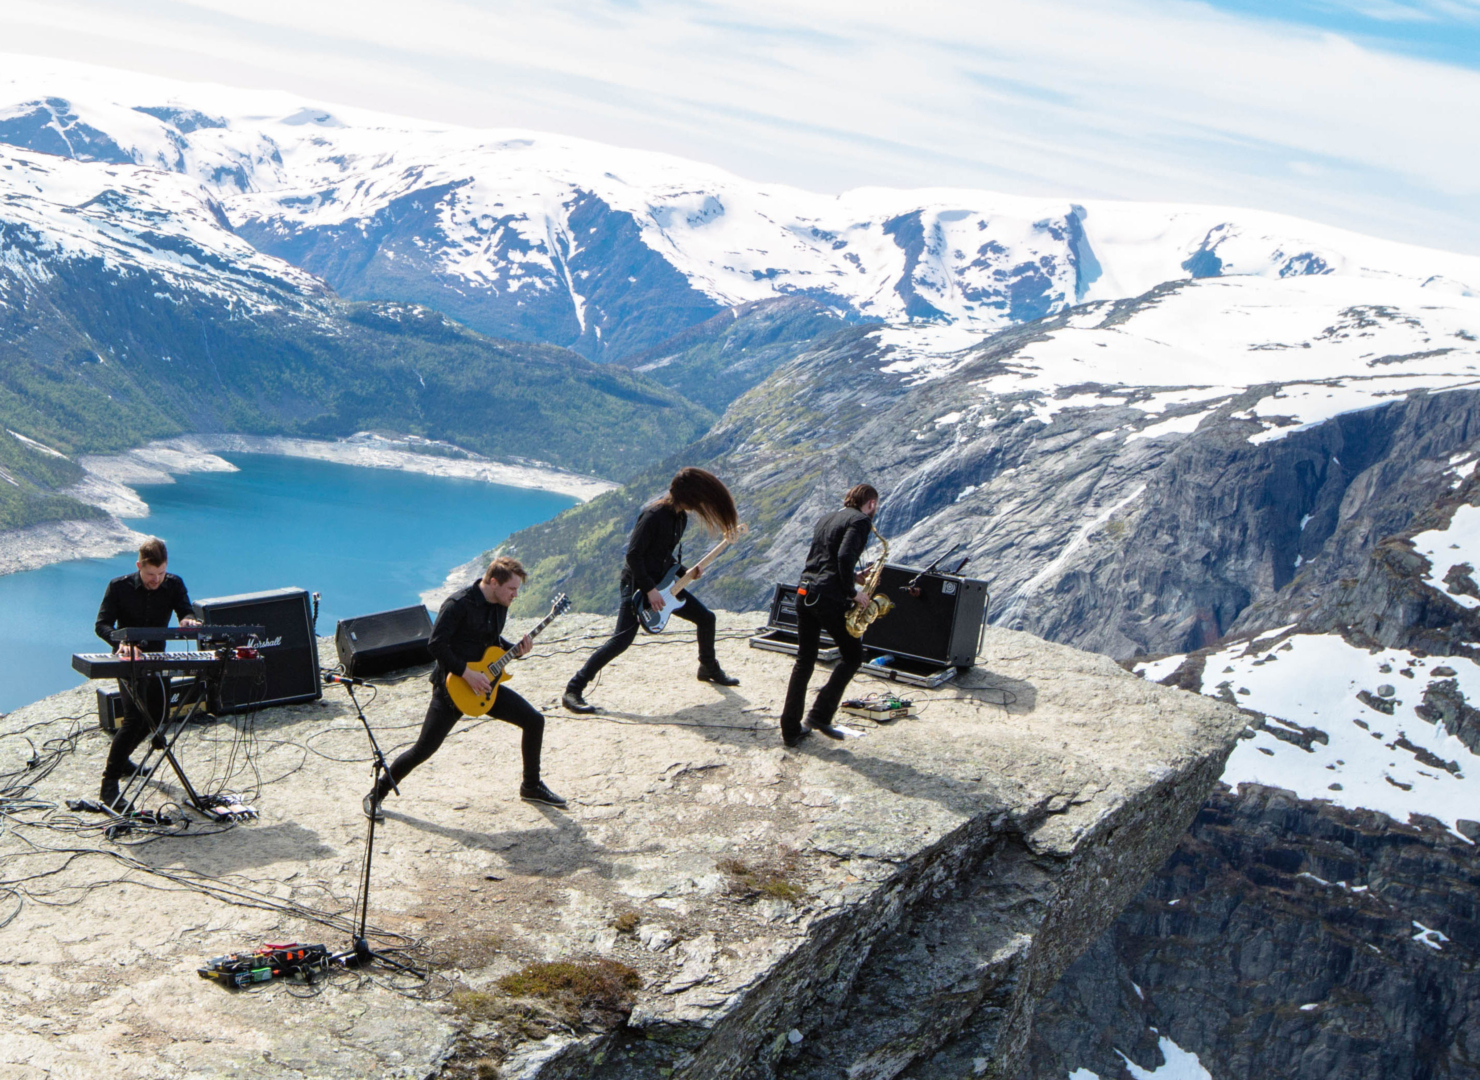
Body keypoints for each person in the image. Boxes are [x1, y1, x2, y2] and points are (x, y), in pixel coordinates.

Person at [364, 555, 563, 820]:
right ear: (493, 582)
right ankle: (376, 794)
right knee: (423, 750)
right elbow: (435, 645)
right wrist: (466, 673)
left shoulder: (499, 603)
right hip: (452, 689)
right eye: (512, 589)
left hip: (485, 685)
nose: (515, 595)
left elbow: (490, 641)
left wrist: (514, 650)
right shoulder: (457, 605)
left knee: (534, 720)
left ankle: (531, 786)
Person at [562, 467, 740, 714]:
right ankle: (573, 689)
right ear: (687, 496)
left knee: (706, 618)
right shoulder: (653, 515)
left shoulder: (680, 518)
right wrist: (649, 590)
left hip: (662, 584)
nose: (700, 503)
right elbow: (633, 556)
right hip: (636, 584)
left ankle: (708, 667)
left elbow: (663, 556)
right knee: (621, 640)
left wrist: (685, 572)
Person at [94, 537, 199, 808]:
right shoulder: (118, 587)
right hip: (129, 660)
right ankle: (109, 782)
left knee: (159, 714)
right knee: (134, 717)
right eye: (151, 574)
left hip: (158, 658)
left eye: (161, 573)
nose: (157, 580)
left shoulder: (174, 583)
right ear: (139, 566)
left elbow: (185, 611)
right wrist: (121, 643)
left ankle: (125, 759)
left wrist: (187, 619)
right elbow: (102, 624)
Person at [779, 484, 880, 747]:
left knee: (805, 660)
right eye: (875, 506)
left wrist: (853, 576)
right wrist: (852, 591)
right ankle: (820, 715)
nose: (875, 511)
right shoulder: (860, 521)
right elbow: (845, 555)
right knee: (853, 655)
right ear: (870, 503)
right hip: (828, 597)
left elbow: (827, 558)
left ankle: (790, 729)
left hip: (805, 591)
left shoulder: (827, 518)